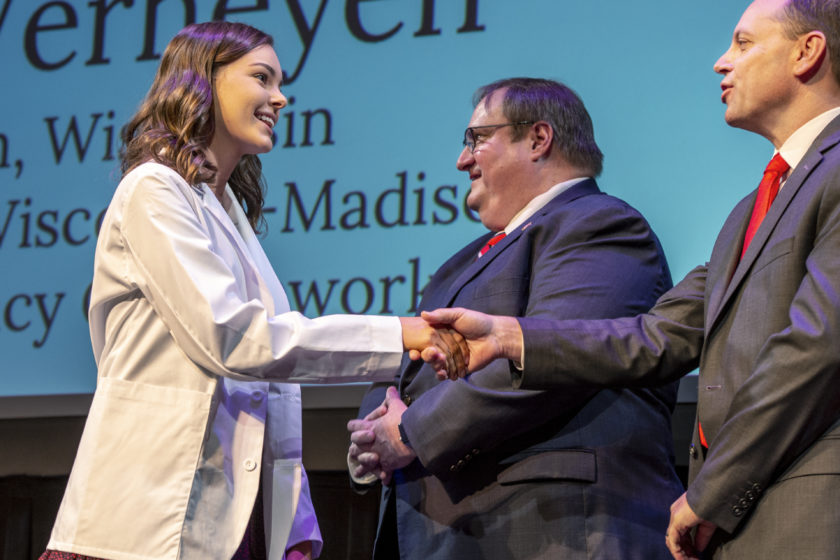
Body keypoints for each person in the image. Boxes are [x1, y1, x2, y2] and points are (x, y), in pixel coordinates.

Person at [424, 1, 840, 558]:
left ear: (807, 53)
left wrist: (715, 488)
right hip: (746, 520)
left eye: (743, 43)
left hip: (810, 510)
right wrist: (511, 338)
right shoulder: (752, 208)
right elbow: (659, 335)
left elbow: (816, 347)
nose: (721, 62)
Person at [38, 21, 465, 560]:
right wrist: (403, 333)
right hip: (146, 519)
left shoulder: (227, 212)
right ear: (201, 82)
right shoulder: (152, 189)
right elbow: (237, 341)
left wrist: (293, 520)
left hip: (235, 517)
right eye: (262, 77)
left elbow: (269, 391)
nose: (280, 98)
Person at [346, 78, 684, 559]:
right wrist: (370, 439)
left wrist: (409, 432)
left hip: (556, 533)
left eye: (477, 140)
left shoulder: (599, 224)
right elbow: (407, 376)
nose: (462, 160)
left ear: (538, 139)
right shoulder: (462, 261)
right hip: (458, 534)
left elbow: (554, 355)